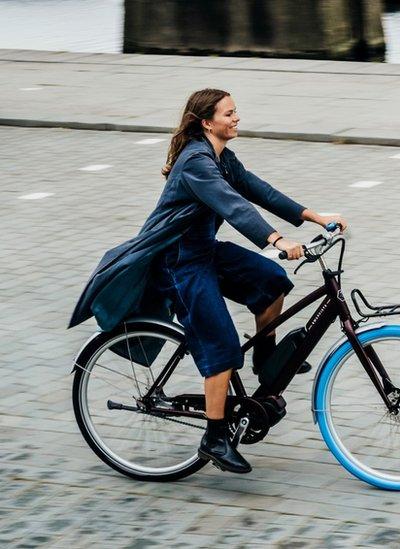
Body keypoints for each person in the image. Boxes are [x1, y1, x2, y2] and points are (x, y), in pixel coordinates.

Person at [69, 89, 346, 474]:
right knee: (221, 344)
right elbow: (233, 207)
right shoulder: (196, 161)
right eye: (229, 113)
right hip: (179, 262)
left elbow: (258, 190)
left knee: (272, 282)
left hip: (205, 250)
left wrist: (315, 217)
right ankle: (214, 438)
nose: (236, 118)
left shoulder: (222, 157)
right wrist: (277, 240)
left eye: (236, 112)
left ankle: (266, 360)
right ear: (206, 122)